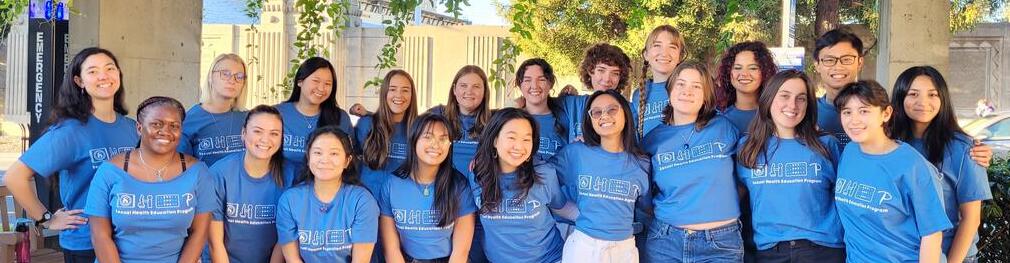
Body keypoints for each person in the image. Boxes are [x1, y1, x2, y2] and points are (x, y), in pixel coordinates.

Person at [4, 47, 138, 263]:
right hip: (87, 243)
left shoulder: (132, 128)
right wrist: (46, 219)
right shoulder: (70, 131)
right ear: (79, 81)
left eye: (110, 68)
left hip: (130, 240)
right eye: (92, 71)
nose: (103, 76)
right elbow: (15, 177)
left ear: (118, 75)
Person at [85, 96, 215, 262]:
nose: (166, 131)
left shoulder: (198, 172)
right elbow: (100, 236)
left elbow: (199, 233)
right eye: (156, 124)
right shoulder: (110, 171)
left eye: (174, 126)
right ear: (139, 128)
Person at [833, 80, 951, 262]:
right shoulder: (849, 152)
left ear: (886, 113)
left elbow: (932, 235)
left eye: (864, 111)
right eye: (847, 112)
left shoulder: (913, 165)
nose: (854, 120)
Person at [735, 70, 845, 262]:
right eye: (784, 96)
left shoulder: (826, 145)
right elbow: (735, 198)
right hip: (770, 251)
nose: (792, 105)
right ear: (769, 99)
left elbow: (846, 199)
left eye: (801, 98)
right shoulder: (748, 147)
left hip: (822, 250)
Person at [641, 62, 743, 262]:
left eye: (696, 86)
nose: (687, 91)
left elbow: (748, 174)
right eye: (680, 84)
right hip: (666, 241)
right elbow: (642, 191)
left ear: (706, 96)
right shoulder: (652, 140)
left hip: (721, 244)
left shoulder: (724, 127)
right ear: (670, 91)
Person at [890, 66, 992, 263]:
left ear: (942, 99)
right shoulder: (890, 144)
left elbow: (970, 219)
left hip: (949, 255)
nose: (923, 102)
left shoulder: (964, 149)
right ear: (900, 98)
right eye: (913, 94)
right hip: (904, 254)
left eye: (932, 95)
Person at [552, 90, 650, 263]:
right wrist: (565, 208)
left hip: (623, 250)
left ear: (625, 114)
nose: (604, 116)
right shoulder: (576, 153)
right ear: (590, 120)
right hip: (583, 248)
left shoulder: (641, 162)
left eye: (612, 109)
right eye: (596, 112)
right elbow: (541, 180)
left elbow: (647, 205)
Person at [468, 108, 567, 263]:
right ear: (494, 140)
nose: (519, 146)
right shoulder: (478, 175)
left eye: (526, 139)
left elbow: (560, 207)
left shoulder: (543, 173)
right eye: (512, 137)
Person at [378, 113, 477, 263]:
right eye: (428, 136)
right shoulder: (391, 184)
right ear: (414, 140)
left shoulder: (458, 185)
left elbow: (461, 251)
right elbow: (391, 249)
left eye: (443, 138)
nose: (436, 144)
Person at [276, 126, 379, 262]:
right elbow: (292, 259)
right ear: (308, 158)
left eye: (334, 154)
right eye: (318, 153)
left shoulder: (362, 201)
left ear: (347, 161)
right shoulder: (289, 200)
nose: (325, 160)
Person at [208, 105, 296, 263]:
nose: (265, 139)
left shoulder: (290, 175)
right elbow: (215, 242)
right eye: (257, 131)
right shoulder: (220, 173)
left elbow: (285, 238)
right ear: (243, 133)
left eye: (274, 134)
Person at [277, 57, 353, 167]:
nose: (321, 88)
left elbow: (351, 157)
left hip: (324, 183)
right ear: (300, 81)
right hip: (283, 183)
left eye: (327, 84)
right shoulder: (277, 114)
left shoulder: (340, 118)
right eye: (316, 81)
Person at [179, 53, 249, 166]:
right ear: (211, 77)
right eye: (225, 74)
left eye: (239, 76)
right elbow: (180, 167)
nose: (232, 80)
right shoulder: (189, 121)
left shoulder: (250, 119)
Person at [354, 70, 418, 193]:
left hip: (402, 205)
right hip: (368, 203)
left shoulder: (418, 129)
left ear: (412, 95)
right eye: (392, 89)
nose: (399, 95)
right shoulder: (367, 124)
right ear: (384, 93)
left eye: (405, 90)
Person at [632, 25, 686, 138]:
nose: (664, 53)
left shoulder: (690, 89)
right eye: (657, 45)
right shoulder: (639, 94)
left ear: (680, 56)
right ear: (646, 55)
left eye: (672, 47)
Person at [514, 58, 568, 160]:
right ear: (520, 85)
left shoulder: (565, 118)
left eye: (541, 79)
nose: (534, 86)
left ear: (550, 83)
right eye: (527, 80)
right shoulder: (511, 119)